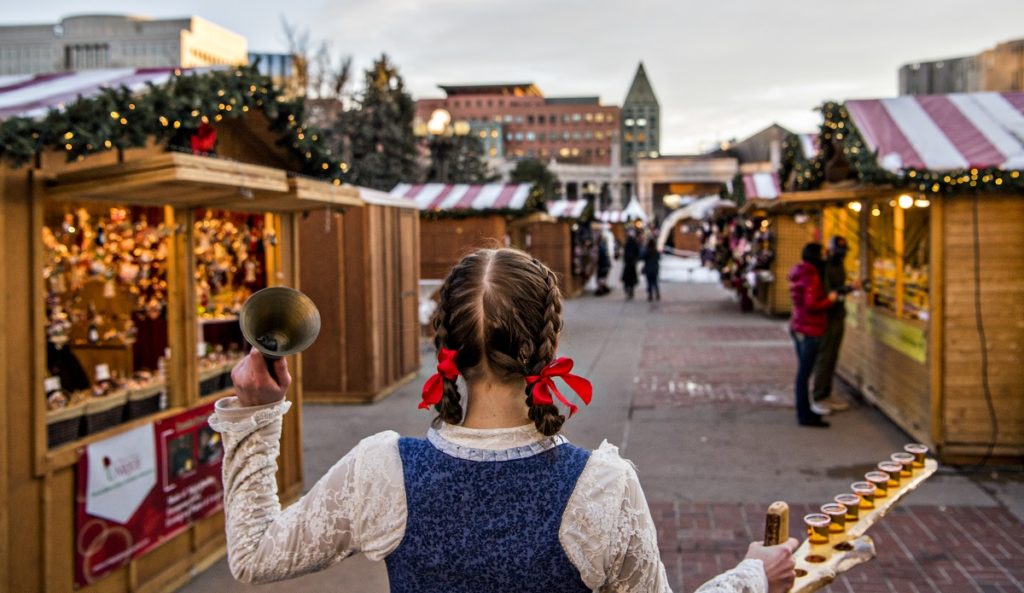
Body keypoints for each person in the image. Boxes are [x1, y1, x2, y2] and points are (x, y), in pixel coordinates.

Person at [212, 248, 798, 593]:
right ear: (551, 341)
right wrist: (750, 577)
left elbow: (256, 553)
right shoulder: (601, 488)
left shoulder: (383, 471)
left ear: (445, 344)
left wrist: (256, 417)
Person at [787, 243, 838, 428]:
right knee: (804, 374)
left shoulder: (800, 272)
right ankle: (805, 415)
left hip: (799, 326)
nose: (825, 257)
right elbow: (811, 304)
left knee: (804, 373)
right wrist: (829, 301)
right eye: (822, 254)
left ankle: (805, 411)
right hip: (809, 328)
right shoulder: (812, 276)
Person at [811, 236, 853, 415]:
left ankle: (826, 394)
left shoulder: (838, 264)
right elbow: (828, 293)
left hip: (838, 314)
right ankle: (819, 396)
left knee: (832, 356)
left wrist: (848, 289)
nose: (841, 255)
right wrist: (842, 291)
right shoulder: (826, 266)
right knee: (825, 356)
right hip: (828, 316)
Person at [621, 229, 640, 300]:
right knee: (631, 280)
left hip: (629, 264)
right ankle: (630, 291)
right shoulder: (633, 244)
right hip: (631, 264)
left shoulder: (627, 244)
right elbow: (637, 253)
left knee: (627, 280)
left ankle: (628, 291)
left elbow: (626, 254)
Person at [595, 224, 613, 296]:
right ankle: (603, 288)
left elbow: (600, 256)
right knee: (603, 276)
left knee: (601, 277)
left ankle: (601, 289)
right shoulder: (604, 246)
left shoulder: (600, 247)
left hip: (603, 264)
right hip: (605, 263)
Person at [642, 236, 661, 301]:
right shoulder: (656, 251)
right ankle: (657, 294)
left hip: (649, 269)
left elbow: (642, 257)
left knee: (649, 283)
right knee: (655, 282)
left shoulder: (647, 251)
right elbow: (659, 258)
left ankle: (650, 295)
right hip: (655, 269)